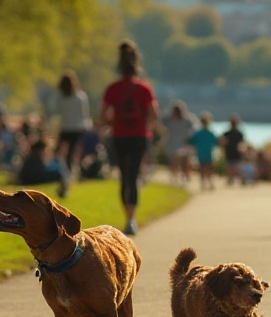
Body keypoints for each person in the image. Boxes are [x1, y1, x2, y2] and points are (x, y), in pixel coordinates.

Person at [101, 41, 158, 235]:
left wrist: (114, 120)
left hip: (119, 136)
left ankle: (128, 215)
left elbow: (104, 115)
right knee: (133, 176)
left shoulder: (113, 89)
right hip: (139, 136)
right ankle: (131, 219)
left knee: (124, 177)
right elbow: (153, 115)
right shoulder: (144, 89)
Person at [55, 71, 90, 177]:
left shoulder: (60, 98)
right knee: (74, 152)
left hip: (65, 127)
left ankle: (66, 171)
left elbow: (58, 112)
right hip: (78, 128)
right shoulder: (81, 97)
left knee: (61, 152)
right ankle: (75, 170)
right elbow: (85, 114)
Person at [163, 101, 196, 186]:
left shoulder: (169, 120)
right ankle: (182, 177)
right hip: (182, 143)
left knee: (175, 162)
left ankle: (176, 178)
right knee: (184, 162)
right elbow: (194, 129)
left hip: (176, 143)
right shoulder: (187, 119)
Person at [189, 112, 219, 191]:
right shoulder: (210, 133)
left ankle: (203, 184)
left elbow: (192, 142)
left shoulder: (198, 133)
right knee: (209, 169)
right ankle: (209, 183)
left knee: (202, 169)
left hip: (201, 153)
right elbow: (216, 142)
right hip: (208, 153)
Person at [221, 114, 246, 186]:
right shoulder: (237, 133)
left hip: (232, 152)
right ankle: (232, 179)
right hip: (232, 152)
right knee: (234, 167)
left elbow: (223, 142)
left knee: (232, 167)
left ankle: (231, 179)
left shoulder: (230, 133)